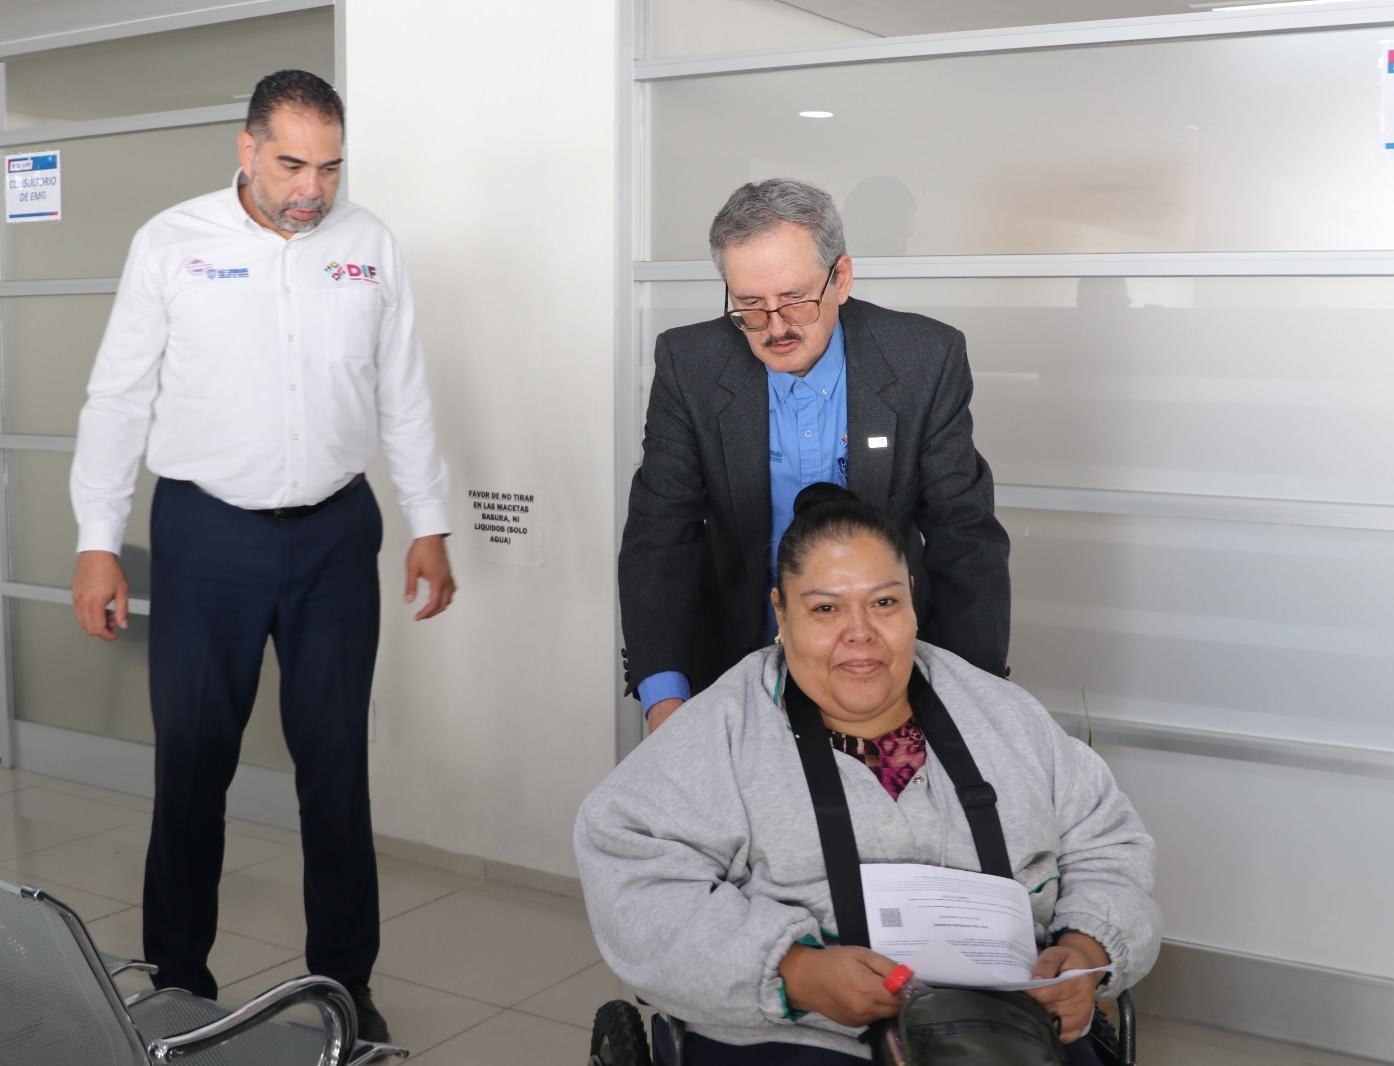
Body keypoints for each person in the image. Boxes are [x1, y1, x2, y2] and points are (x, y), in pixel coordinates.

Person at [69, 69, 453, 1042]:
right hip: (208, 535)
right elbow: (117, 398)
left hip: (335, 534)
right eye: (291, 165)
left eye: (329, 167)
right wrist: (96, 541)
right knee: (193, 765)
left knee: (336, 767)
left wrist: (430, 520)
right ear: (246, 150)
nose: (311, 189)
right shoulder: (171, 242)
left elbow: (402, 390)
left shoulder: (368, 245)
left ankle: (345, 984)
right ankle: (178, 981)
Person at [579, 484, 1159, 1064]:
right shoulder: (721, 732)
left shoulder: (1006, 717)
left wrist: (1085, 951)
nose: (860, 632)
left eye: (883, 602)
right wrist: (797, 972)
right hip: (801, 1036)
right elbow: (634, 876)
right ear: (781, 611)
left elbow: (1107, 848)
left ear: (911, 602)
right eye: (825, 608)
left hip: (1010, 1028)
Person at [619, 178, 1011, 734]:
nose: (775, 327)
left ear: (840, 278)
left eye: (795, 301)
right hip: (735, 664)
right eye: (750, 307)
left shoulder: (924, 359)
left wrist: (974, 694)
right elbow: (660, 535)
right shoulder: (690, 364)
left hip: (889, 670)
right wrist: (664, 699)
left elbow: (964, 538)